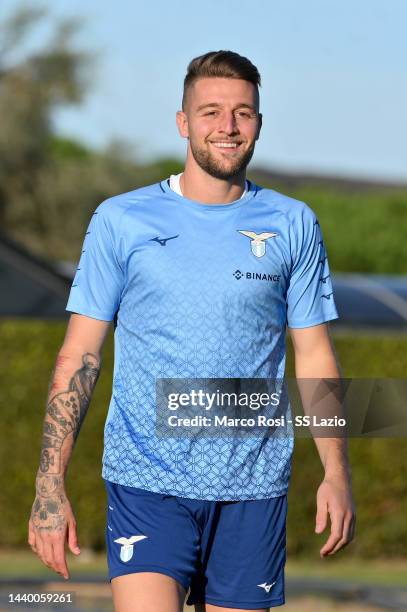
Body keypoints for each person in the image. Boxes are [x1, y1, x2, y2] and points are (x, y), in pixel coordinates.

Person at [28, 50, 356, 612]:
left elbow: (314, 356)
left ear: (258, 123)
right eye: (210, 112)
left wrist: (336, 470)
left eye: (243, 113)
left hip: (255, 489)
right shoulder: (121, 220)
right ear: (183, 123)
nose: (228, 127)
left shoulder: (293, 222)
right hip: (146, 482)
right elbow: (80, 354)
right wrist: (48, 484)